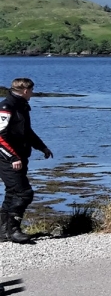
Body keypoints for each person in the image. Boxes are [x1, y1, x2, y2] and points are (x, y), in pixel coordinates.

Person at [0, 78, 53, 244]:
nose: (32, 93)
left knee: (12, 193)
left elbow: (27, 132)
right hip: (7, 158)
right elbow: (0, 136)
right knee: (24, 193)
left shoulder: (22, 106)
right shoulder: (7, 106)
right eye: (31, 90)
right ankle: (14, 230)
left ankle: (3, 232)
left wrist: (42, 147)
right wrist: (13, 157)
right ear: (25, 90)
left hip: (20, 156)